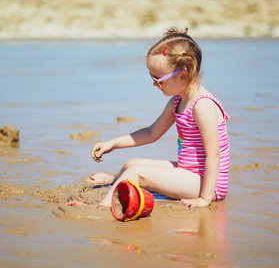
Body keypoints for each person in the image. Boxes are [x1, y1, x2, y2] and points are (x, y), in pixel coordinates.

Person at [67, 27, 230, 208]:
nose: (154, 84)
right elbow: (152, 132)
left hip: (208, 184)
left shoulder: (202, 105)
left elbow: (213, 155)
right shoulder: (177, 101)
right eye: (151, 76)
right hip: (189, 172)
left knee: (137, 172)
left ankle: (102, 209)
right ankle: (116, 181)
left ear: (184, 75)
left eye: (158, 79)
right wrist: (113, 143)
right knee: (132, 164)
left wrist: (205, 198)